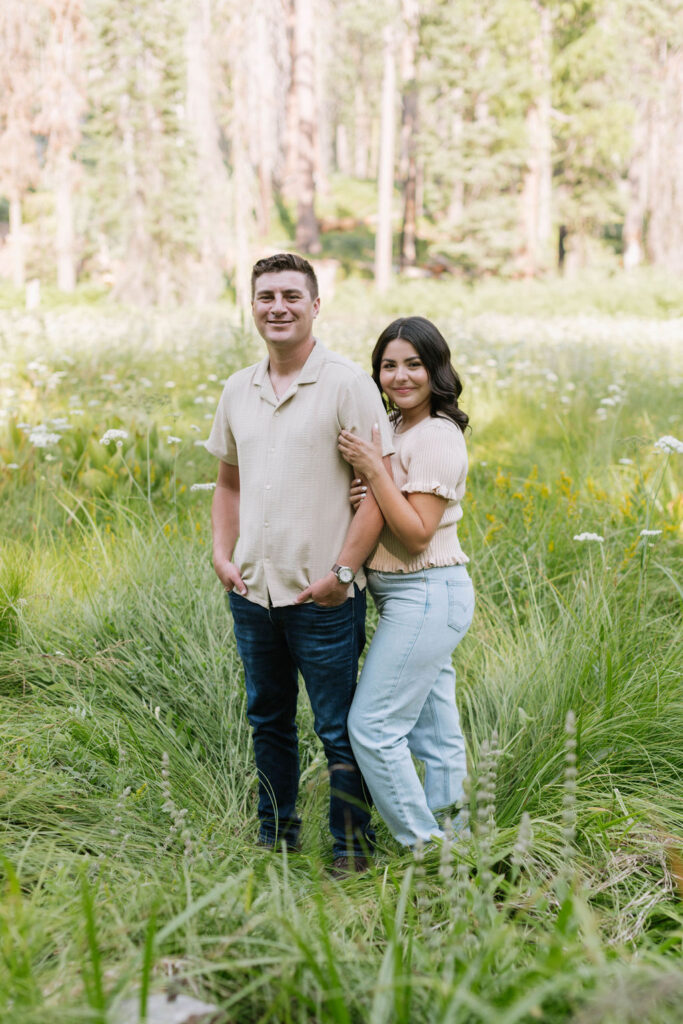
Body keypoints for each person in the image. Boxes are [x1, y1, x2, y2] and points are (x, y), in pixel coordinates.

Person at [207, 252, 394, 873]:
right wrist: (220, 553)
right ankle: (277, 837)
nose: (277, 307)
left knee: (338, 728)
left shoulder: (346, 385)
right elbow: (228, 482)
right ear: (252, 306)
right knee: (268, 719)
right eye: (266, 297)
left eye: (291, 296)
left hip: (324, 598)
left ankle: (350, 850)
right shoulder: (238, 388)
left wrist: (342, 574)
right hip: (252, 592)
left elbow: (379, 489)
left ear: (316, 305)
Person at [337, 315, 474, 849]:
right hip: (406, 598)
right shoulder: (394, 430)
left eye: (413, 364)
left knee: (372, 728)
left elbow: (417, 534)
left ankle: (425, 848)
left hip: (428, 592)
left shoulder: (438, 436)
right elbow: (393, 506)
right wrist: (372, 497)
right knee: (434, 734)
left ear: (435, 369)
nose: (400, 376)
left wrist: (374, 476)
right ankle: (459, 843)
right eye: (388, 365)